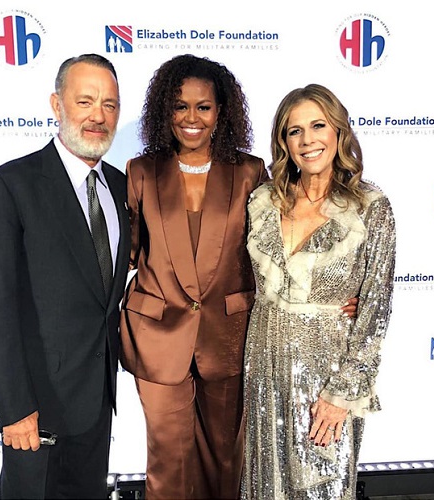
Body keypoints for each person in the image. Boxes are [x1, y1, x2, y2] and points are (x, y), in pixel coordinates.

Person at [119, 56, 357, 500]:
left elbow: (279, 249)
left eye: (204, 107)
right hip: (156, 336)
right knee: (167, 463)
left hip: (230, 336)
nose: (191, 118)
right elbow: (126, 254)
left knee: (227, 463)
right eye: (180, 106)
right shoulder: (141, 171)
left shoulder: (249, 172)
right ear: (164, 110)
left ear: (221, 111)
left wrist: (333, 295)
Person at [0, 53, 130, 499]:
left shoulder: (120, 187)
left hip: (97, 407)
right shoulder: (10, 185)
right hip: (35, 413)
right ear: (57, 105)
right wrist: (14, 408)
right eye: (85, 101)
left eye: (110, 104)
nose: (98, 116)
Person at [241, 84, 396, 500]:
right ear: (284, 142)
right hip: (263, 366)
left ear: (338, 132)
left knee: (321, 485)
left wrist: (341, 393)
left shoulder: (371, 207)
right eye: (295, 131)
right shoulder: (262, 202)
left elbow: (375, 312)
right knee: (264, 486)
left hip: (326, 374)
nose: (307, 140)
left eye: (318, 126)